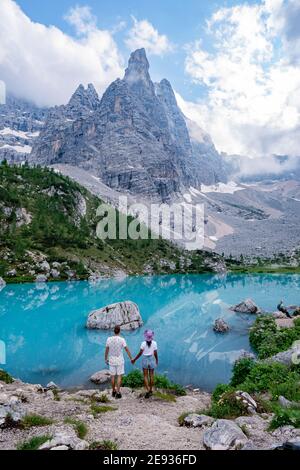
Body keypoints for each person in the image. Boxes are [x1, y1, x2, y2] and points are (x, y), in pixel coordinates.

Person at [105, 325, 133, 399]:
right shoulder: (122, 340)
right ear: (119, 331)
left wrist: (105, 358)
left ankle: (113, 391)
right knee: (119, 376)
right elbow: (126, 349)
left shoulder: (109, 339)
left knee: (112, 376)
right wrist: (131, 358)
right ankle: (118, 392)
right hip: (120, 360)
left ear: (114, 331)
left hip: (111, 360)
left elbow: (107, 350)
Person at [132, 330, 158, 398]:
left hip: (145, 360)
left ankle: (148, 390)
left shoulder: (143, 343)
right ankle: (151, 389)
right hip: (152, 359)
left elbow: (140, 353)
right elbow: (155, 353)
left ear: (146, 336)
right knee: (151, 375)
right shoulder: (154, 343)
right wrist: (157, 360)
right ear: (152, 336)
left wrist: (134, 359)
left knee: (145, 376)